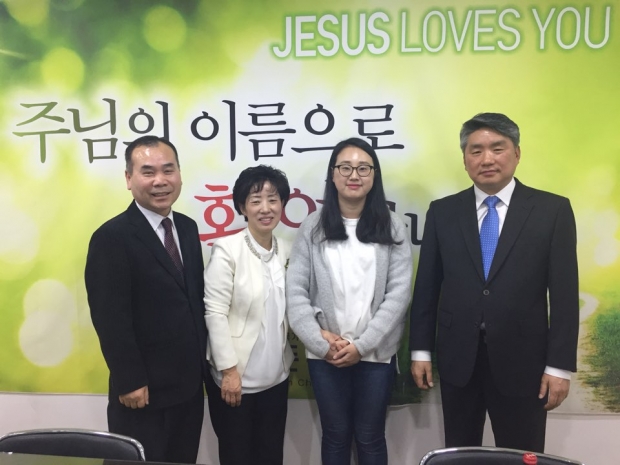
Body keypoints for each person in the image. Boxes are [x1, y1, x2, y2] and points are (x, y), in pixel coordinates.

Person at [409, 113, 579, 453]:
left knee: (522, 453)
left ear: (516, 153)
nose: (487, 159)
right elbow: (427, 287)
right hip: (459, 360)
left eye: (497, 148)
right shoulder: (443, 212)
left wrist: (559, 366)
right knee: (460, 452)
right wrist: (421, 350)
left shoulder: (552, 210)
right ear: (465, 159)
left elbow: (564, 295)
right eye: (476, 151)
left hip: (524, 362)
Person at [286, 137, 413, 465]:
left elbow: (399, 294)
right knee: (335, 434)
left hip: (375, 354)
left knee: (370, 436)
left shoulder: (391, 226)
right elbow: (295, 293)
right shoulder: (313, 227)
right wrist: (320, 342)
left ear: (374, 175)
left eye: (363, 168)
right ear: (332, 174)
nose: (354, 175)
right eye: (345, 167)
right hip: (326, 354)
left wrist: (362, 345)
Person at [85, 135, 208, 463]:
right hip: (143, 392)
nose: (160, 181)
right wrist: (130, 381)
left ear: (179, 174)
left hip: (188, 388)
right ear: (129, 178)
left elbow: (193, 300)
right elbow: (110, 318)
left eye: (168, 170)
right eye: (148, 172)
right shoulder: (112, 237)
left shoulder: (187, 228)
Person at [203, 165, 293, 465]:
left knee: (271, 456)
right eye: (256, 200)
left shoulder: (287, 250)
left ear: (282, 203)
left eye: (273, 199)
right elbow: (214, 312)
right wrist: (229, 371)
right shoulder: (227, 249)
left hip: (276, 378)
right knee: (237, 456)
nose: (266, 208)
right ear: (242, 207)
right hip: (236, 382)